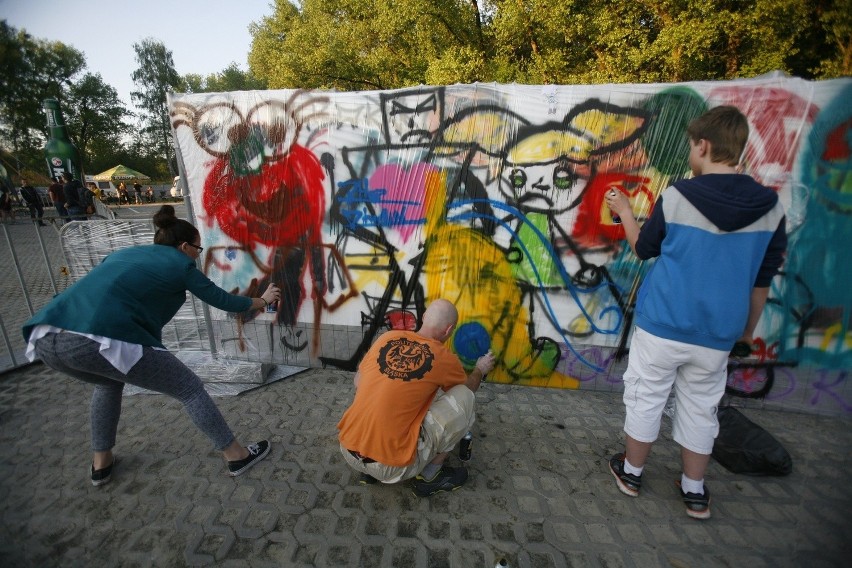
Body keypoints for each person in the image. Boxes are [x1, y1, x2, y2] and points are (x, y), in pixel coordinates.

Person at [604, 105, 787, 520]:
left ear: (703, 145)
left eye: (691, 146)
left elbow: (644, 249)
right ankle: (694, 490)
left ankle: (631, 473)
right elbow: (762, 282)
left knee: (646, 396)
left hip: (664, 324)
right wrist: (745, 333)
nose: (690, 154)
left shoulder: (678, 196)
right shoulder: (771, 208)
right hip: (718, 333)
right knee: (701, 406)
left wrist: (627, 213)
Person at [22, 204, 282, 486]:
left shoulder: (123, 254)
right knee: (189, 388)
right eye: (198, 249)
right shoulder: (180, 265)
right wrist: (263, 300)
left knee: (108, 383)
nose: (199, 254)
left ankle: (102, 463)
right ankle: (236, 455)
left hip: (47, 336)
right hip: (100, 338)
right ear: (184, 247)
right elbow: (224, 301)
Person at [337, 299, 496, 497]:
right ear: (448, 330)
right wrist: (480, 369)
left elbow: (358, 381)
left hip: (348, 449)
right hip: (390, 468)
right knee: (465, 397)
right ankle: (430, 476)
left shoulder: (387, 337)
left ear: (423, 318)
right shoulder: (444, 356)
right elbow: (468, 388)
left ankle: (368, 470)